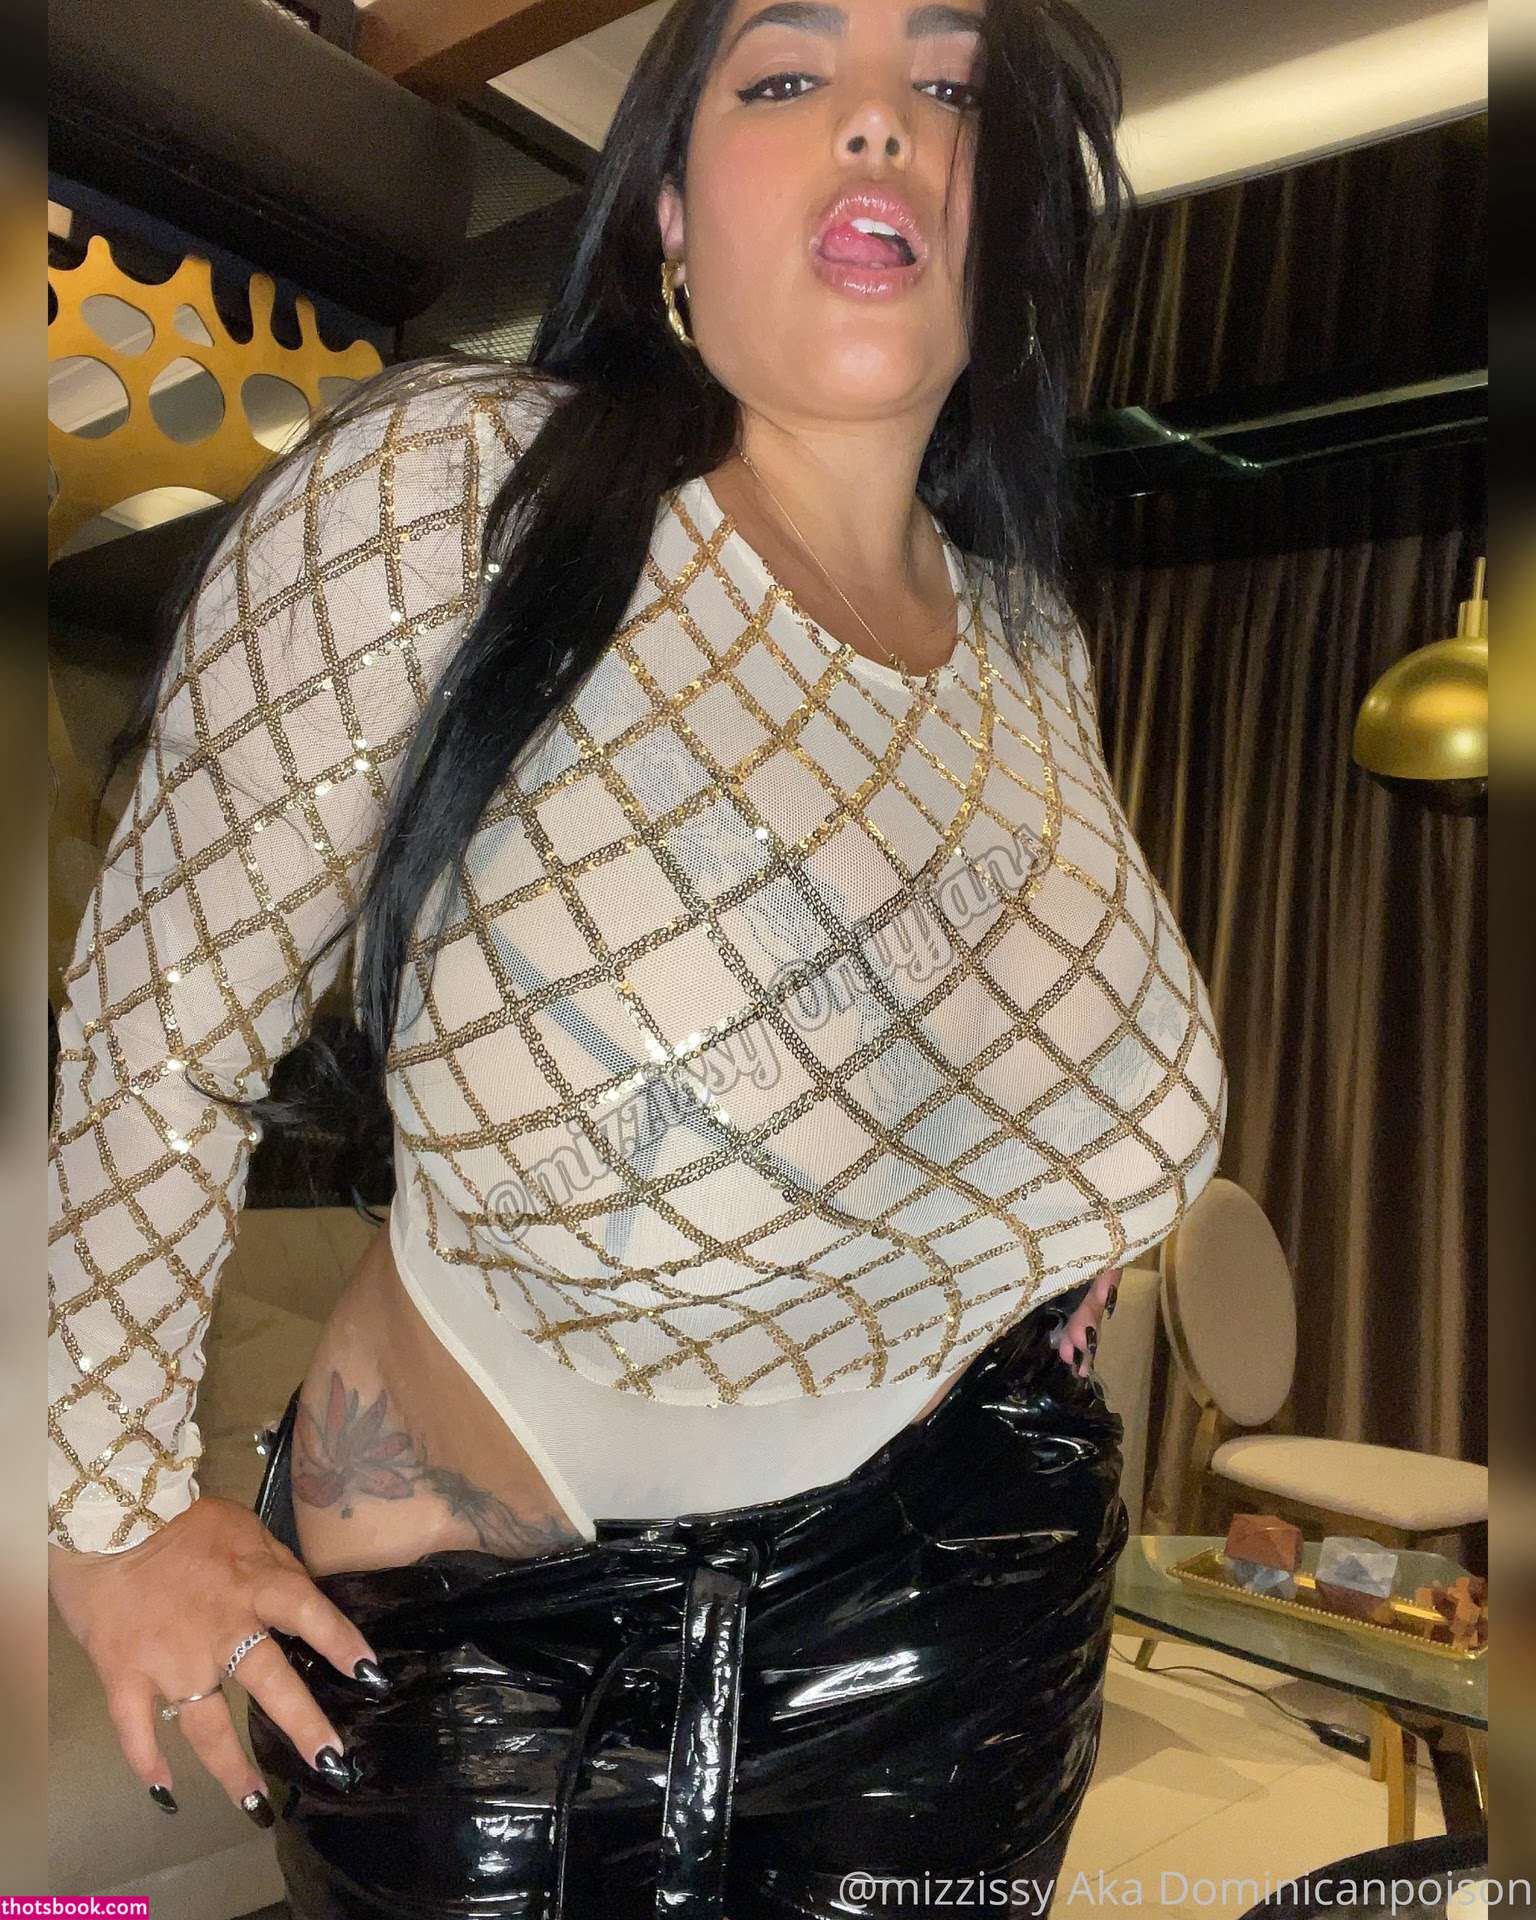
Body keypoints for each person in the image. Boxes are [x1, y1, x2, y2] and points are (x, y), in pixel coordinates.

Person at [46, 0, 1228, 1913]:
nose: (881, 123)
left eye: (949, 87)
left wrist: (1012, 1230)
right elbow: (151, 1037)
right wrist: (99, 1519)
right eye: (790, 76)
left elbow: (1015, 1034)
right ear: (668, 213)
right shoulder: (453, 486)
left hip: (971, 1601)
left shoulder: (1032, 643)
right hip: (505, 1651)